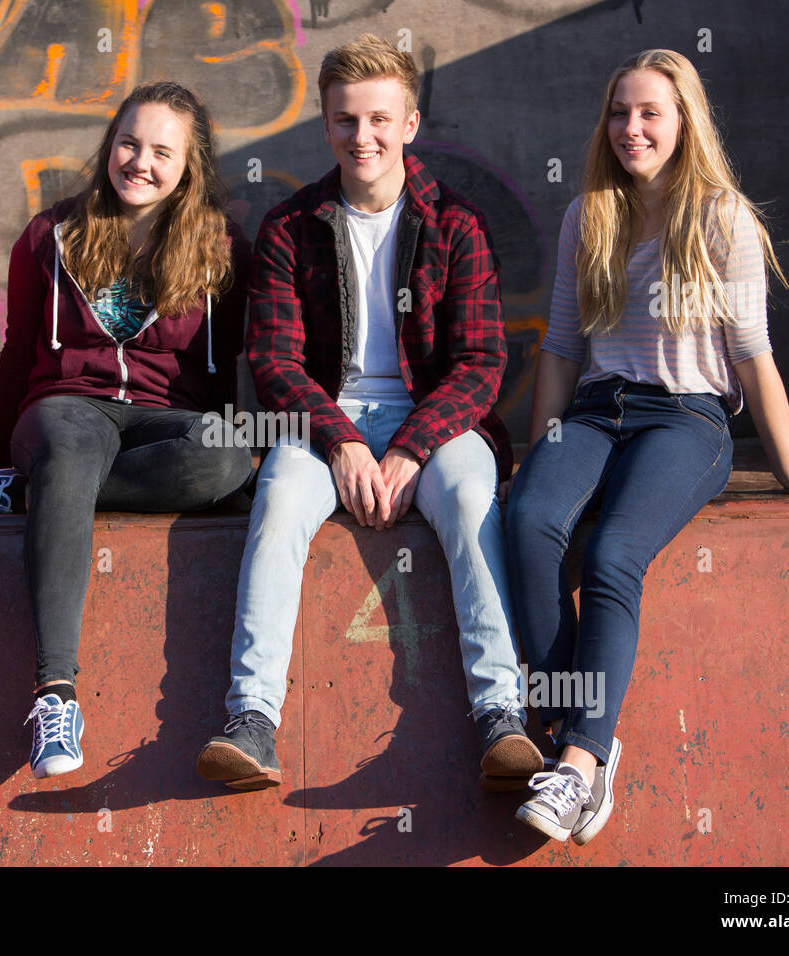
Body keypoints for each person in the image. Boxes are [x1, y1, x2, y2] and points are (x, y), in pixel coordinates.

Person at [506, 49, 789, 845]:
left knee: (611, 555)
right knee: (529, 523)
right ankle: (585, 740)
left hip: (687, 419)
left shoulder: (722, 217)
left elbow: (752, 354)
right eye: (618, 112)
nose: (631, 128)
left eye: (650, 113)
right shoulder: (588, 214)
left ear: (684, 123)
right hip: (598, 410)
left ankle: (576, 761)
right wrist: (541, 453)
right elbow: (563, 349)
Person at [196, 34, 541, 793]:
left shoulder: (457, 223)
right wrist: (344, 441)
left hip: (438, 419)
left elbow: (482, 364)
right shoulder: (293, 225)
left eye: (380, 119)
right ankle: (252, 719)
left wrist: (413, 447)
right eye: (347, 121)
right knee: (280, 502)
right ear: (326, 125)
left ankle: (502, 715)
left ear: (410, 124)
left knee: (472, 502)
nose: (364, 137)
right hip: (326, 420)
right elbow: (276, 364)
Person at [0, 81, 252, 779]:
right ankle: (55, 694)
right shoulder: (50, 235)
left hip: (170, 416)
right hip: (69, 405)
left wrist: (230, 453)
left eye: (163, 151)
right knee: (67, 448)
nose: (141, 162)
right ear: (111, 145)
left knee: (227, 458)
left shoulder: (222, 248)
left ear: (189, 164)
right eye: (129, 143)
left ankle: (30, 495)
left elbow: (223, 373)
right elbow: (16, 352)